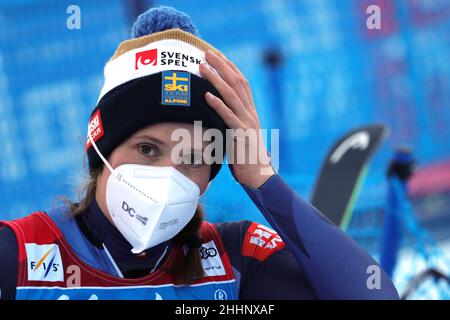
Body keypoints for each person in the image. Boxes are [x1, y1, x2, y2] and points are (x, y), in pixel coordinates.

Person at [0, 6, 398, 300]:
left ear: (210, 176)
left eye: (192, 157)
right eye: (147, 149)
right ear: (100, 150)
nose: (167, 174)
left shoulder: (235, 260)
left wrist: (264, 180)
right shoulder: (18, 256)